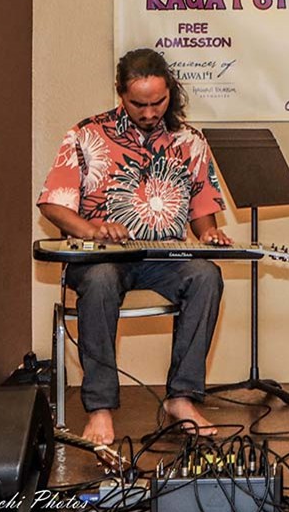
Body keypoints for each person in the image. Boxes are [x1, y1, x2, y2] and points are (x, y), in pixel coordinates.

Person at [38, 48, 232, 445]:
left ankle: (181, 399)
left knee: (206, 276)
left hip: (165, 257)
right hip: (102, 259)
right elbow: (52, 204)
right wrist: (93, 230)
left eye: (157, 102)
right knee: (101, 281)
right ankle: (100, 408)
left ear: (169, 92)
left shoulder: (189, 141)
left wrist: (210, 233)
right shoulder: (86, 135)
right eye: (138, 104)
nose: (149, 112)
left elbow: (202, 211)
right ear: (120, 93)